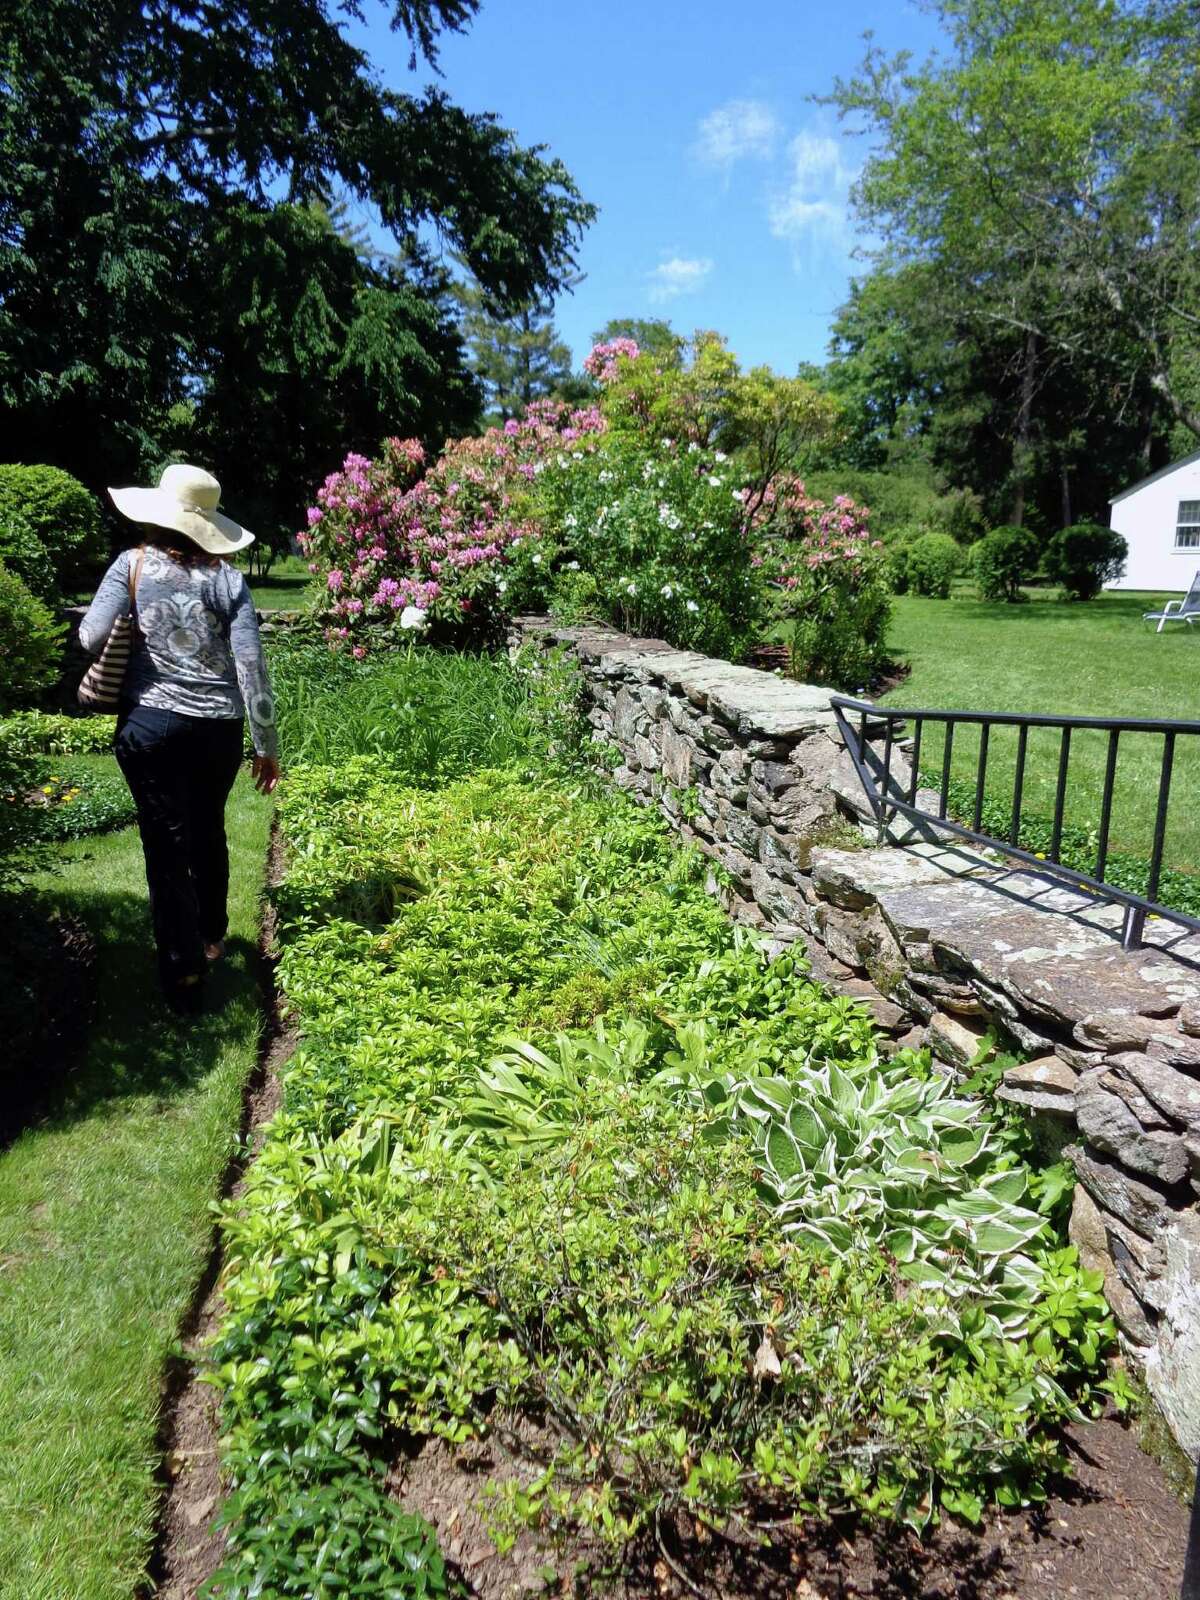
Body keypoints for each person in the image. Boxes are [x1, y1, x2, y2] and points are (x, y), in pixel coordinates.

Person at [80, 463, 280, 1015]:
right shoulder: (230, 580)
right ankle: (212, 936)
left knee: (165, 846)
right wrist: (266, 746)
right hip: (219, 730)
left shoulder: (132, 565)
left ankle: (183, 974)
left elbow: (91, 635)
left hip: (152, 725)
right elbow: (251, 668)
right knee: (207, 826)